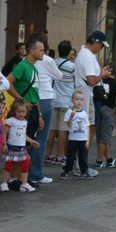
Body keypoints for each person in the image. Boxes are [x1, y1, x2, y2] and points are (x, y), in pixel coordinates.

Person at [6, 39, 45, 188]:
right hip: (24, 110)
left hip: (34, 109)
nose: (43, 53)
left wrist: (39, 114)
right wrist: (20, 99)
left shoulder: (34, 69)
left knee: (26, 146)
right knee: (20, 146)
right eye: (41, 50)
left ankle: (20, 179)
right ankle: (13, 180)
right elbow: (7, 81)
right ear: (32, 51)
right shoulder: (22, 66)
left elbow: (36, 93)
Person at [27, 32, 63, 184]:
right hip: (46, 98)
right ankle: (36, 173)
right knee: (41, 137)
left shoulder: (26, 60)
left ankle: (23, 172)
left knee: (28, 137)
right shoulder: (47, 60)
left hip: (30, 99)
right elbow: (59, 75)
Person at [74, 31, 111, 177]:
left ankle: (80, 164)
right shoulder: (87, 56)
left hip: (85, 94)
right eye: (101, 46)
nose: (101, 48)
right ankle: (81, 165)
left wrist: (100, 73)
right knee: (87, 130)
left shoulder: (85, 54)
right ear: (96, 43)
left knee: (87, 130)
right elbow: (91, 80)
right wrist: (102, 75)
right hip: (87, 95)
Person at [45, 40, 75, 166]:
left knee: (52, 128)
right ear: (69, 52)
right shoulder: (72, 66)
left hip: (53, 98)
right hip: (66, 100)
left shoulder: (53, 63)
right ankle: (60, 155)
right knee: (63, 129)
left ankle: (48, 154)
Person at [1, 99, 40, 192]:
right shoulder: (10, 121)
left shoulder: (25, 122)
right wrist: (4, 144)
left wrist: (31, 141)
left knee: (25, 164)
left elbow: (23, 134)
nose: (21, 114)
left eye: (23, 112)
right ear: (14, 110)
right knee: (8, 166)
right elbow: (4, 133)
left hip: (22, 148)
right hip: (11, 147)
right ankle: (4, 183)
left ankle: (24, 184)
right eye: (18, 111)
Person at [94, 62, 116, 168]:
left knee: (100, 135)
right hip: (108, 109)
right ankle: (99, 160)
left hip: (99, 107)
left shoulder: (100, 81)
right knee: (105, 138)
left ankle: (109, 159)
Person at [59, 91, 92, 180]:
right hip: (73, 138)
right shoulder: (69, 112)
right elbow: (69, 124)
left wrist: (88, 140)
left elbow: (87, 127)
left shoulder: (84, 113)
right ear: (72, 100)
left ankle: (84, 171)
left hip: (83, 138)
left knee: (83, 156)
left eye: (81, 100)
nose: (79, 102)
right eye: (77, 99)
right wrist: (71, 117)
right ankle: (66, 171)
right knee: (70, 155)